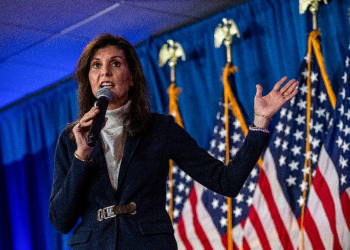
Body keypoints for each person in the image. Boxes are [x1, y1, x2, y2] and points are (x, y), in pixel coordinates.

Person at [49, 33, 298, 249]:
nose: (105, 71)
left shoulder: (159, 129)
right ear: (89, 79)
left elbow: (226, 182)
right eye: (96, 65)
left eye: (115, 63)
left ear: (132, 76)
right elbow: (61, 221)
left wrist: (260, 123)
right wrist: (81, 157)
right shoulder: (72, 138)